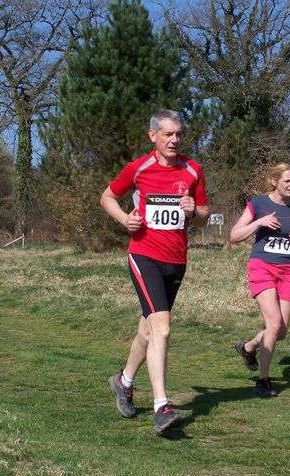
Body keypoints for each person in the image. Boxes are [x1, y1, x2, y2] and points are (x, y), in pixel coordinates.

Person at [99, 110, 210, 434]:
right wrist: (125, 219)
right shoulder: (139, 168)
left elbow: (204, 213)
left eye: (178, 134)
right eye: (167, 134)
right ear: (153, 136)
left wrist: (194, 211)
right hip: (144, 255)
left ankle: (124, 381)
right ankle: (162, 406)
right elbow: (107, 197)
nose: (174, 140)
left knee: (148, 330)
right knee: (162, 328)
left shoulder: (193, 170)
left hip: (176, 260)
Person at [229, 163, 290, 397]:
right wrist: (258, 223)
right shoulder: (259, 204)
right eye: (287, 181)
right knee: (273, 324)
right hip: (262, 267)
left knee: (281, 331)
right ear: (274, 182)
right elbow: (234, 236)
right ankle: (263, 380)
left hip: (287, 270)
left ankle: (249, 347)